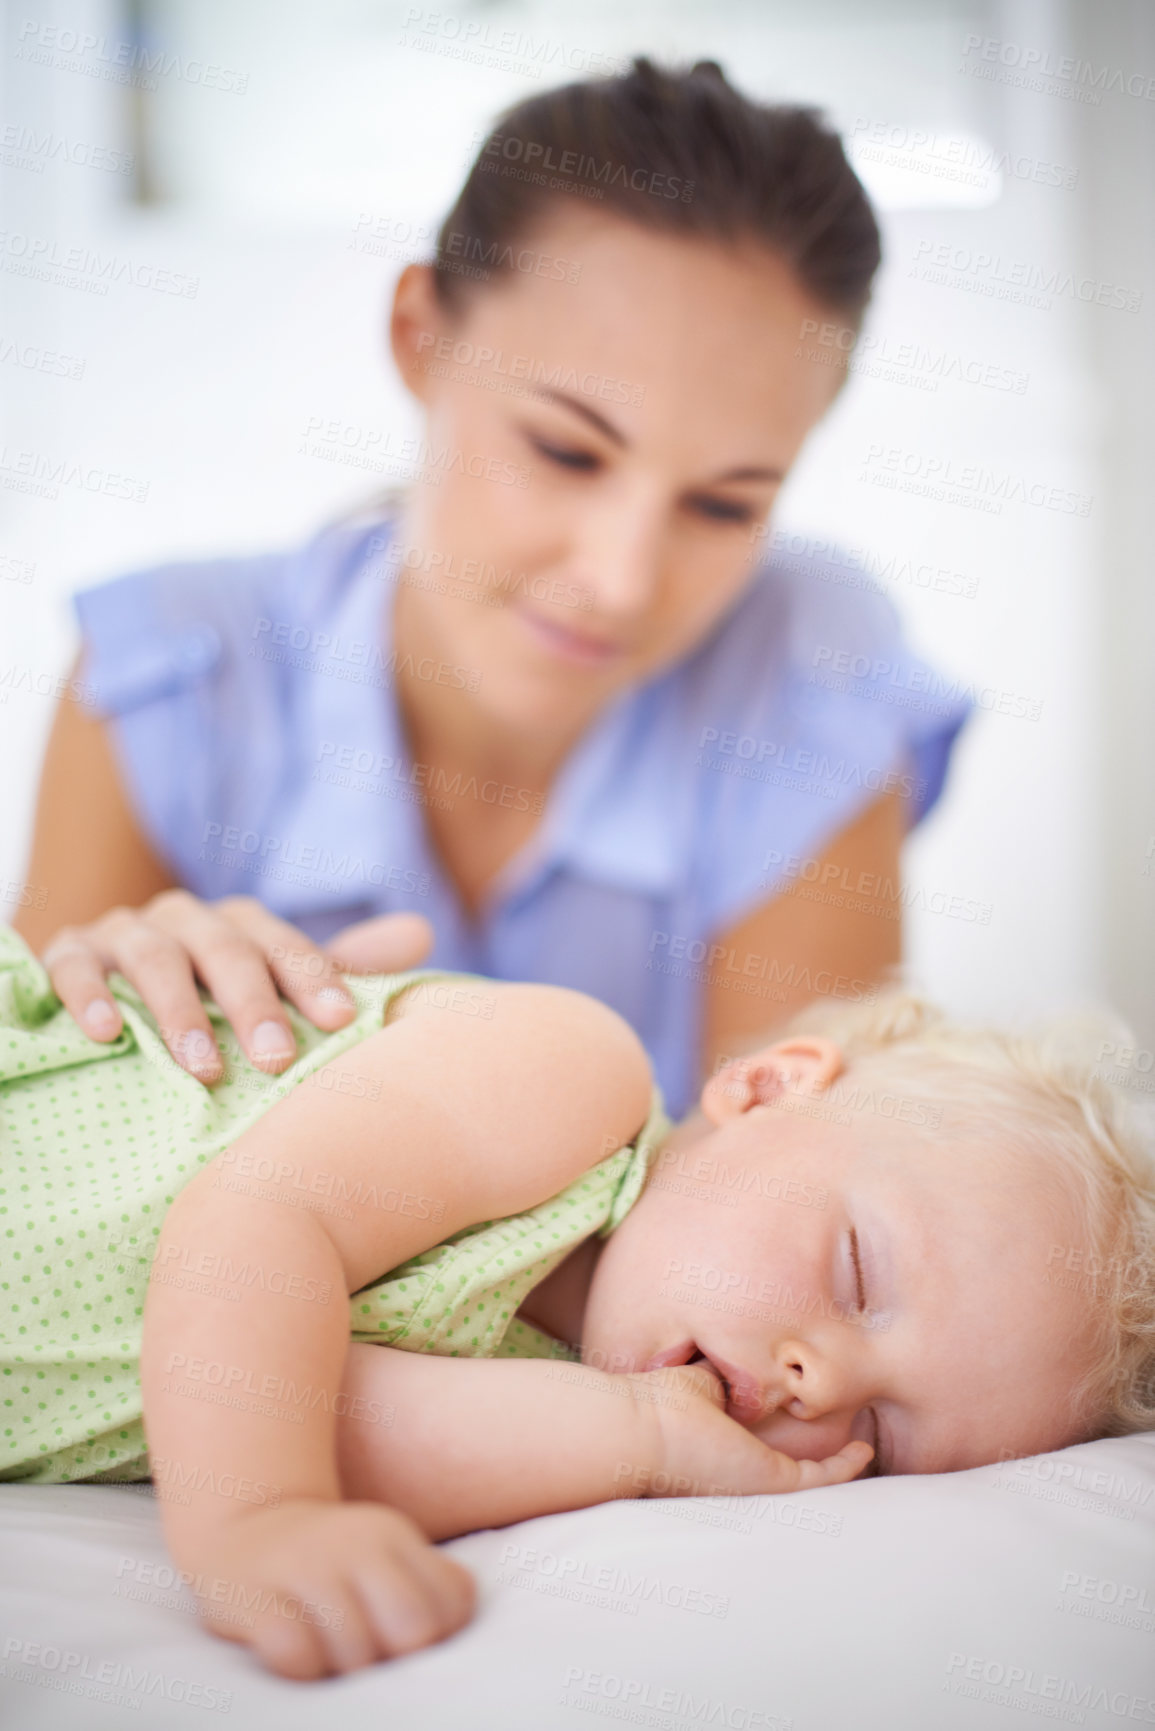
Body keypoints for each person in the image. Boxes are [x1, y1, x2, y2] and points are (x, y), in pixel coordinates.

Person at [12, 58, 970, 1120]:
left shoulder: (809, 669)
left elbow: (789, 1215)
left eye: (724, 506)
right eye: (567, 451)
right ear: (420, 336)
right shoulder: (166, 679)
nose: (620, 581)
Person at [1, 925, 1152, 1683]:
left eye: (883, 1437)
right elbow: (254, 1227)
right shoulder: (568, 1080)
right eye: (858, 1274)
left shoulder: (557, 1389)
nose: (826, 1384)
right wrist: (257, 1521)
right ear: (768, 1090)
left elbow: (304, 1404)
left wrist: (642, 1439)